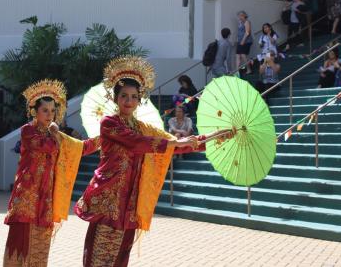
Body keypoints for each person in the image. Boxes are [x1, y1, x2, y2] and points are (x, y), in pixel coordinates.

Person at [75, 56, 232, 267]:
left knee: (121, 257)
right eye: (124, 96)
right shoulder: (109, 123)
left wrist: (214, 137)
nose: (129, 101)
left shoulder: (143, 127)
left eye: (133, 97)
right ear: (115, 99)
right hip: (108, 198)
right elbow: (137, 142)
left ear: (139, 100)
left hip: (130, 202)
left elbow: (176, 144)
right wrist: (174, 143)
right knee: (101, 256)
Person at [3, 79, 100, 267]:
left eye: (53, 110)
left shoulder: (54, 134)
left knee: (40, 246)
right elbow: (46, 146)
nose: (50, 114)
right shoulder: (28, 131)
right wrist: (57, 134)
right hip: (26, 198)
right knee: (20, 245)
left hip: (46, 198)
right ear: (34, 112)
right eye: (45, 110)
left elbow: (78, 148)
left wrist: (101, 139)